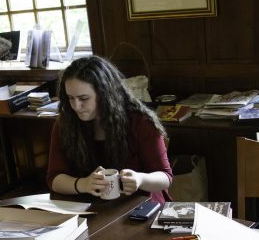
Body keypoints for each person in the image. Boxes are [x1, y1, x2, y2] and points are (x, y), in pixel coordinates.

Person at [46, 55, 173, 203]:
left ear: (104, 94)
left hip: (140, 204)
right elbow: (54, 178)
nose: (76, 106)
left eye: (84, 98)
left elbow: (166, 177)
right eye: (70, 98)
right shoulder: (65, 123)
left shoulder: (141, 123)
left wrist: (139, 179)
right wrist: (84, 184)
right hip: (90, 206)